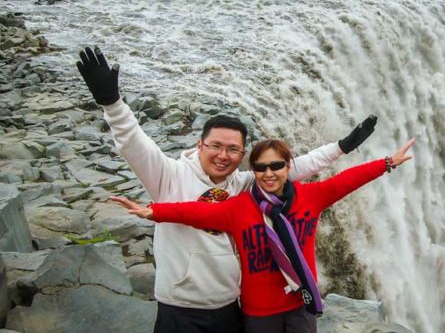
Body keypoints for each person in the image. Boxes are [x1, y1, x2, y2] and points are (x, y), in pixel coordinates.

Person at [76, 47, 378, 333]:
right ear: (199, 145)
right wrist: (112, 103)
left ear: (242, 153)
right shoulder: (167, 175)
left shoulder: (244, 184)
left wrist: (341, 147)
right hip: (179, 307)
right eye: (216, 146)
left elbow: (288, 169)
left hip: (229, 306)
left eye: (233, 149)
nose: (224, 155)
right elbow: (133, 143)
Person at [112, 137, 416, 333]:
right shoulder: (238, 208)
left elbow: (347, 181)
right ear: (253, 171)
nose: (269, 173)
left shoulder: (312, 196)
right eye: (260, 167)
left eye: (276, 165)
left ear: (288, 167)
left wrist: (386, 163)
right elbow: (194, 212)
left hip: (301, 305)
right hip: (259, 314)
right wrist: (153, 210)